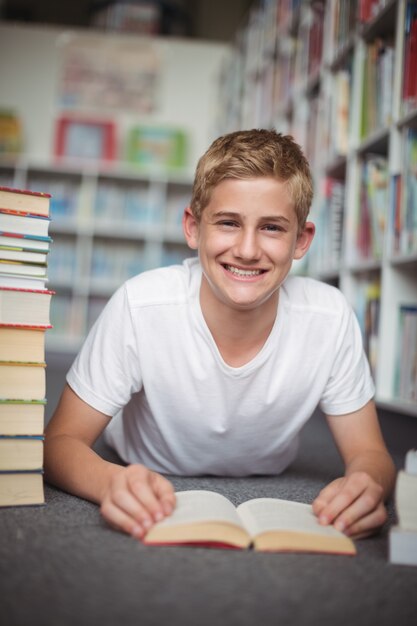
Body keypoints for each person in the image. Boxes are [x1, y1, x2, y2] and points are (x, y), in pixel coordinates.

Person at [44, 128, 396, 541]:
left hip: (270, 472)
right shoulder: (140, 305)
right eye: (228, 223)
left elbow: (371, 454)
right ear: (193, 228)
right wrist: (108, 482)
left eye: (272, 228)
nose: (247, 250)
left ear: (302, 240)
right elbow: (58, 444)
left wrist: (366, 484)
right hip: (143, 457)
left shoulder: (330, 315)